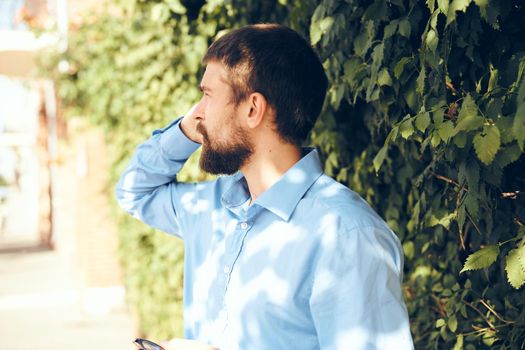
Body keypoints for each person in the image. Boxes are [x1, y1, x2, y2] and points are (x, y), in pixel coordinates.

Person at [116, 23, 414, 350]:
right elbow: (135, 191)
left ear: (253, 109)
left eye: (207, 95)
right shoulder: (212, 207)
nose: (198, 112)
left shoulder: (345, 236)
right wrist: (188, 129)